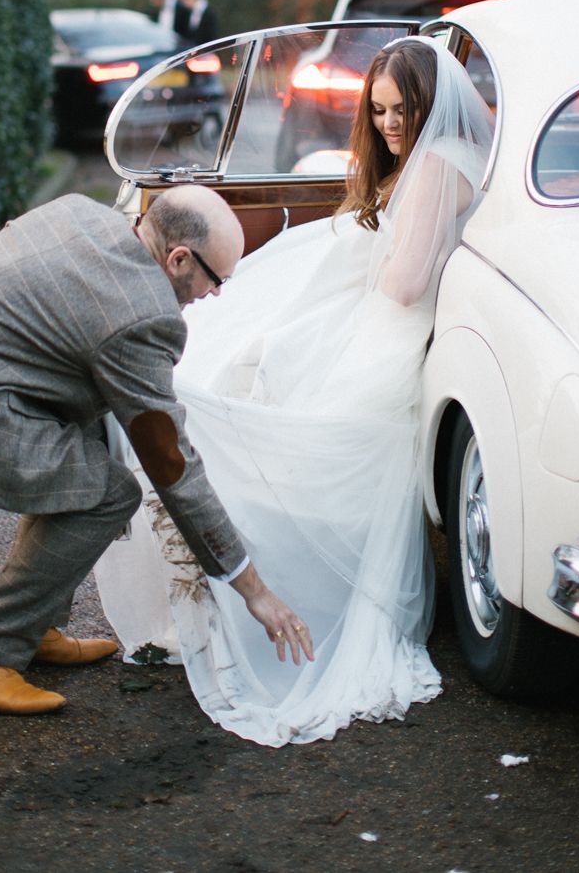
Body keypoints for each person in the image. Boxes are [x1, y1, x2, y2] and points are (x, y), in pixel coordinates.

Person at [95, 37, 494, 746]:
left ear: (431, 105)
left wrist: (364, 257)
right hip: (382, 316)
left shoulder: (438, 163)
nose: (388, 125)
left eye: (401, 110)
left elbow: (405, 284)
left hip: (390, 327)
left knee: (258, 395)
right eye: (378, 110)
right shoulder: (442, 156)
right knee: (249, 357)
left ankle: (272, 589)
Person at [0, 185, 313, 717]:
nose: (217, 293)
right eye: (216, 279)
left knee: (80, 451)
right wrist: (252, 589)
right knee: (107, 493)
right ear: (178, 259)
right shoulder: (142, 317)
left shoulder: (81, 212)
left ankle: (32, 624)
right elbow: (172, 464)